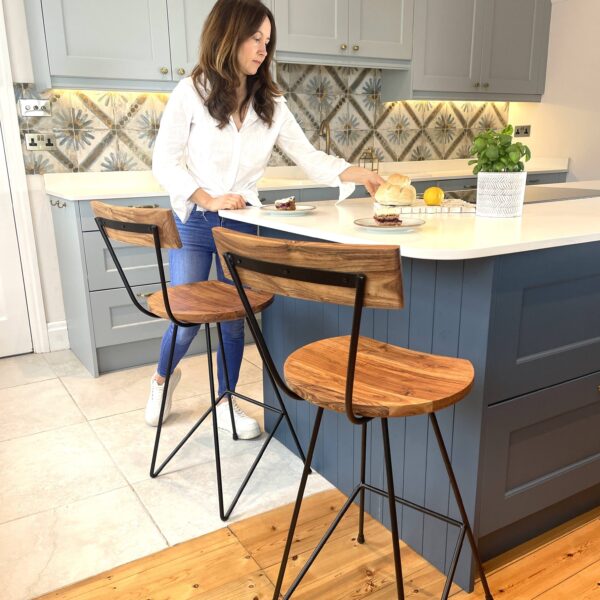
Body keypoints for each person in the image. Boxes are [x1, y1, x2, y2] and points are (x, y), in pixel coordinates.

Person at [148, 0, 384, 438]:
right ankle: (162, 380)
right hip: (196, 222)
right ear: (229, 35)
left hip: (241, 226)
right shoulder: (191, 92)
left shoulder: (271, 102)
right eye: (255, 38)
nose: (263, 49)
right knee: (187, 317)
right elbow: (165, 161)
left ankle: (226, 402)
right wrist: (208, 197)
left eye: (268, 41)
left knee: (236, 318)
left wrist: (360, 173)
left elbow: (310, 158)